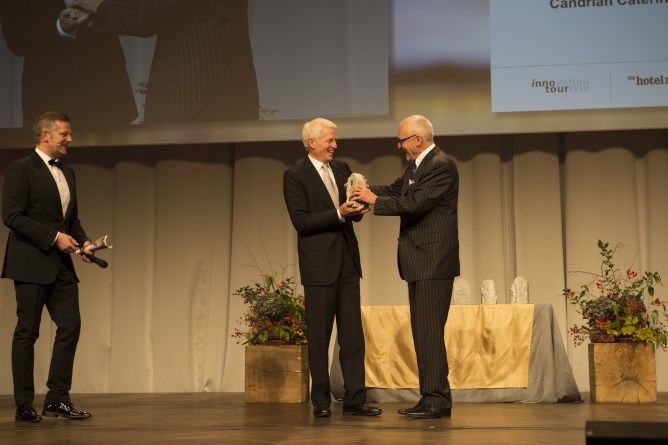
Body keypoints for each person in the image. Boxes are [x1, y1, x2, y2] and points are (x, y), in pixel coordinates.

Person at [352, 115, 459, 419]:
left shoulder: (441, 165)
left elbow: (415, 204)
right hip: (418, 260)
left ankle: (437, 399)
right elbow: (395, 191)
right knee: (423, 332)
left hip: (433, 261)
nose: (398, 146)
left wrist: (373, 200)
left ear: (417, 139)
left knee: (429, 332)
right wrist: (363, 192)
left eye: (401, 140)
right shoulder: (416, 167)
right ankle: (431, 397)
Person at [2, 112, 98, 422]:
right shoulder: (21, 169)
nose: (70, 139)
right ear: (46, 135)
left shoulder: (68, 171)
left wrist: (84, 242)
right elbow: (12, 216)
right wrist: (55, 237)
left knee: (70, 326)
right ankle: (24, 404)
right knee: (27, 332)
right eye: (64, 134)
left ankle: (57, 399)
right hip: (30, 263)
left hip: (61, 266)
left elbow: (71, 220)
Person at [283, 118, 381, 418]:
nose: (335, 145)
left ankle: (355, 400)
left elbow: (352, 213)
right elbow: (302, 222)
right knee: (320, 336)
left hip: (348, 262)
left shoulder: (341, 169)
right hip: (319, 266)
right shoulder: (295, 176)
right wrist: (338, 213)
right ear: (312, 142)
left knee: (352, 336)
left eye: (335, 140)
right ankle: (321, 400)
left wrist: (358, 208)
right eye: (329, 140)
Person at [69, 0, 259, 123]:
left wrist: (98, 7)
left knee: (179, 171)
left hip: (193, 94)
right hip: (226, 89)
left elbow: (145, 13)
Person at [0, 1, 138, 129]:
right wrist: (58, 28)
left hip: (107, 89)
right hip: (50, 94)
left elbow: (128, 11)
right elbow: (16, 40)